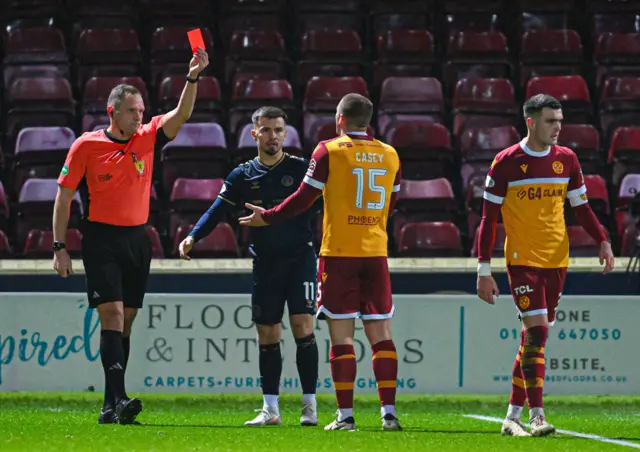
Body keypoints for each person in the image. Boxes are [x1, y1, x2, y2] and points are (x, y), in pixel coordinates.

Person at [52, 48, 209, 425]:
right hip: (101, 239)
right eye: (132, 111)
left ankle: (110, 406)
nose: (140, 116)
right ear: (113, 112)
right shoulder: (86, 145)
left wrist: (192, 77)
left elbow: (182, 114)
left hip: (138, 240)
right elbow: (64, 196)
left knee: (128, 320)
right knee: (113, 313)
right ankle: (120, 397)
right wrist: (59, 246)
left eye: (141, 111)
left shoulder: (148, 137)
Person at [240, 93, 403, 431]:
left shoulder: (328, 150)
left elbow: (302, 199)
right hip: (376, 252)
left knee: (341, 337)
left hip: (340, 253)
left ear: (339, 119)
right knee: (381, 335)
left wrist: (267, 217)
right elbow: (393, 204)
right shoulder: (390, 154)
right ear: (368, 120)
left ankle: (345, 417)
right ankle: (389, 415)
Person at [476, 94, 615, 437]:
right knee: (537, 334)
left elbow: (581, 207)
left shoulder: (566, 159)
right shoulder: (506, 162)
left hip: (557, 259)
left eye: (560, 121)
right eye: (551, 121)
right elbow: (488, 220)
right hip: (522, 260)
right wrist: (483, 268)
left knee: (532, 340)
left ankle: (511, 416)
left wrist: (602, 239)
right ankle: (537, 416)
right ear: (531, 122)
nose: (557, 128)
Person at [178, 106, 320, 427]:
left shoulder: (301, 170)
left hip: (300, 259)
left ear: (285, 134)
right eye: (266, 130)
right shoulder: (242, 175)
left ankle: (309, 406)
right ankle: (270, 409)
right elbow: (217, 209)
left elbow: (325, 204)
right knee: (267, 333)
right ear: (254, 133)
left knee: (303, 327)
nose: (273, 136)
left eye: (278, 130)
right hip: (266, 263)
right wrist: (193, 236)